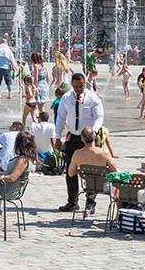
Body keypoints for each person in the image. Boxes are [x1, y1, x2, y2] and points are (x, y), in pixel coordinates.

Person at [54, 72, 105, 212]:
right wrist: (57, 137)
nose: (78, 89)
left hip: (88, 139)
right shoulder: (66, 98)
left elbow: (99, 117)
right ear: (72, 84)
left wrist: (92, 131)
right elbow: (60, 118)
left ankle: (90, 202)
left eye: (81, 86)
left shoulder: (93, 98)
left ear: (84, 84)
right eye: (76, 86)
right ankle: (72, 201)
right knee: (70, 171)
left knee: (91, 171)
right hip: (73, 137)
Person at [63, 127, 116, 213]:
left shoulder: (77, 154)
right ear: (95, 137)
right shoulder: (104, 153)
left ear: (82, 139)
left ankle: (89, 205)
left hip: (88, 185)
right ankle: (119, 216)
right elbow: (115, 171)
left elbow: (70, 173)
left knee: (92, 180)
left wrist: (80, 170)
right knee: (120, 189)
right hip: (104, 186)